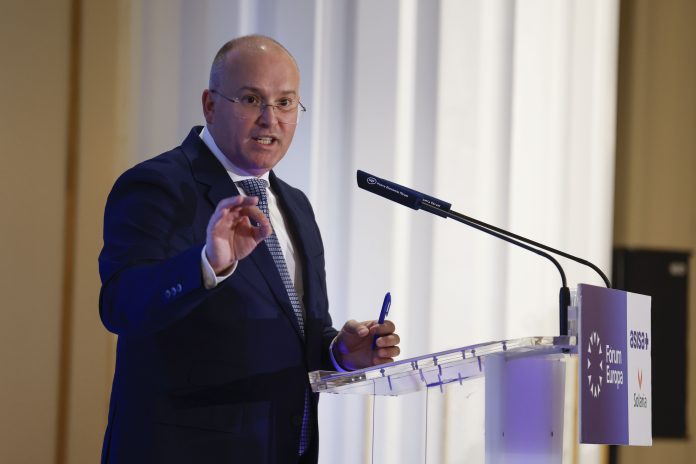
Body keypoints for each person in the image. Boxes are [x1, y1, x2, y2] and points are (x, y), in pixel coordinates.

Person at [98, 35, 400, 464]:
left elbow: (295, 337)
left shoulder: (295, 204)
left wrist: (340, 353)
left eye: (285, 103)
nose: (269, 119)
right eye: (251, 99)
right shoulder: (157, 186)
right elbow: (121, 307)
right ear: (210, 105)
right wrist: (207, 265)